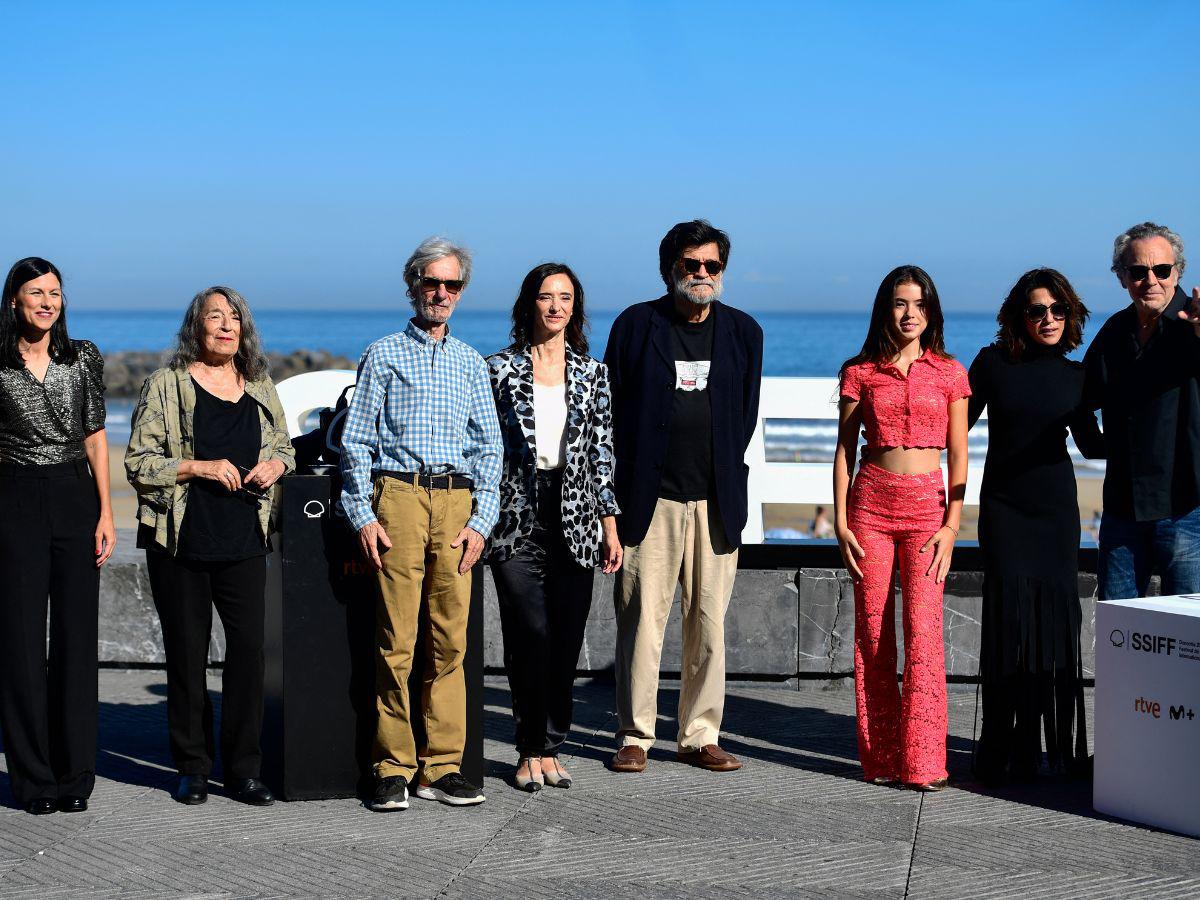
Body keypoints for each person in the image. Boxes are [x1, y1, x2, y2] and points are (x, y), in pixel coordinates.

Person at [340, 237, 502, 812]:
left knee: (450, 641)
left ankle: (444, 766)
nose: (440, 293)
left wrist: (482, 520)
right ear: (413, 285)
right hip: (400, 500)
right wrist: (362, 512)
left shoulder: (470, 363)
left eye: (451, 285)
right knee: (396, 640)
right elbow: (355, 441)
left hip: (455, 505)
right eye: (431, 282)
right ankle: (391, 767)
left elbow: (490, 449)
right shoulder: (383, 353)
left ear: (461, 292)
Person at [126, 286, 295, 807]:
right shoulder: (167, 384)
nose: (226, 326)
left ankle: (243, 769)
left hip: (245, 541)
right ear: (195, 328)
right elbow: (138, 462)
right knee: (186, 657)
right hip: (181, 542)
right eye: (214, 317)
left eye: (234, 317)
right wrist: (197, 466)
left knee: (247, 657)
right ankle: (192, 767)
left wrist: (278, 465)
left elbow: (285, 446)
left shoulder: (261, 386)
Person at [604, 219, 763, 774]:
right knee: (642, 623)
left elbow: (743, 414)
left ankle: (700, 735)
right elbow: (612, 414)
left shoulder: (744, 332)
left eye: (712, 266)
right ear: (669, 268)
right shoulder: (635, 325)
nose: (701, 274)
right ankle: (634, 735)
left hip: (716, 501)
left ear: (723, 271)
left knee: (709, 624)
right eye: (690, 265)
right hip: (649, 502)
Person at [486, 262, 623, 791]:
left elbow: (601, 458)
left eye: (565, 297)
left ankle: (551, 746)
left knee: (565, 639)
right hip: (516, 515)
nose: (556, 306)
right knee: (529, 635)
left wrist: (610, 526)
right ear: (530, 305)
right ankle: (527, 749)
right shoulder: (497, 369)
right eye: (546, 296)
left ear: (576, 307)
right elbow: (484, 449)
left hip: (577, 515)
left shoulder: (594, 375)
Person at [833, 265, 969, 791]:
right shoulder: (860, 372)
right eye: (898, 303)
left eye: (918, 304)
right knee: (872, 632)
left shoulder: (950, 372)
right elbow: (845, 451)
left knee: (924, 631)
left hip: (928, 511)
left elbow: (959, 453)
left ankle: (924, 762)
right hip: (870, 504)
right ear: (884, 309)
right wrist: (842, 521)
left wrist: (953, 525)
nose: (909, 313)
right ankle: (882, 758)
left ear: (930, 311)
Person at [967, 269, 1104, 784]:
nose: (1048, 319)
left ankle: (1049, 749)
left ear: (1070, 314)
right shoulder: (993, 363)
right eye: (1036, 310)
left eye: (1057, 310)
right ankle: (1004, 746)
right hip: (1005, 511)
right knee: (1009, 629)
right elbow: (953, 423)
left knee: (1052, 634)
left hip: (1054, 516)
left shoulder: (1076, 376)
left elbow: (1093, 445)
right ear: (1018, 317)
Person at [0, 258, 114, 816]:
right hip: (14, 497)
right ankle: (32, 778)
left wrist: (106, 513)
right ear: (14, 301)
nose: (47, 302)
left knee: (76, 640)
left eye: (55, 293)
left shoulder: (83, 355)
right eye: (36, 293)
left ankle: (75, 774)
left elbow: (96, 436)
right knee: (20, 643)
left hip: (75, 498)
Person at [1083, 222, 1200, 600]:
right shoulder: (1116, 332)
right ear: (1122, 278)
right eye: (1138, 271)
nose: (1151, 280)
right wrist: (1096, 447)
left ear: (1177, 272)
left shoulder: (1194, 325)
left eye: (1161, 270)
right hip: (1123, 511)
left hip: (1188, 508)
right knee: (1120, 635)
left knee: (1190, 642)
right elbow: (1080, 397)